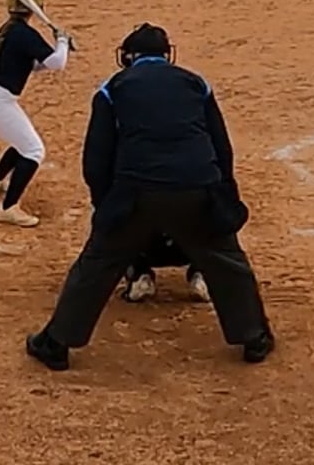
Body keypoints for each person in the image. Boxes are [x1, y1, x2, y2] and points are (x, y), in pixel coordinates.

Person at [24, 23, 274, 372]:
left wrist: (106, 206)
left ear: (128, 57)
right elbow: (221, 146)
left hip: (136, 191)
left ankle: (56, 343)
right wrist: (222, 193)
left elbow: (97, 158)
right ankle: (254, 337)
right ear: (166, 55)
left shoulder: (112, 89)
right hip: (197, 186)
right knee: (226, 260)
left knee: (98, 263)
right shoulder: (196, 83)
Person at [0, 0, 70, 227]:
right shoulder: (24, 34)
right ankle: (8, 208)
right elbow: (57, 63)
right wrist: (62, 41)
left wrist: (60, 46)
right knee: (33, 150)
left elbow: (35, 64)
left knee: (22, 141)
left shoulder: (11, 29)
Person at [121, 234, 209, 304]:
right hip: (187, 250)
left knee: (125, 224)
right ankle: (201, 276)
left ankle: (139, 276)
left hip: (149, 250)